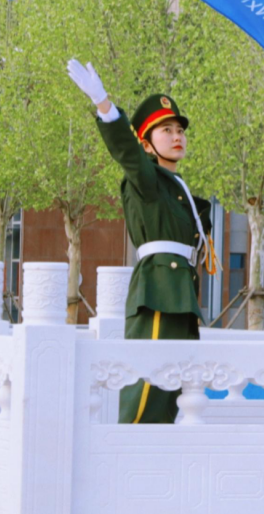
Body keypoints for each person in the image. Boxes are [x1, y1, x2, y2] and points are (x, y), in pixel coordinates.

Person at [67, 59, 212, 423]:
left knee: (173, 392)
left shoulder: (177, 188)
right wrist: (104, 105)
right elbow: (126, 153)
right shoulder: (146, 179)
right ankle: (126, 450)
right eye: (166, 130)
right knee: (147, 389)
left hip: (180, 294)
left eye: (179, 130)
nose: (177, 136)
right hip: (159, 292)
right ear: (146, 144)